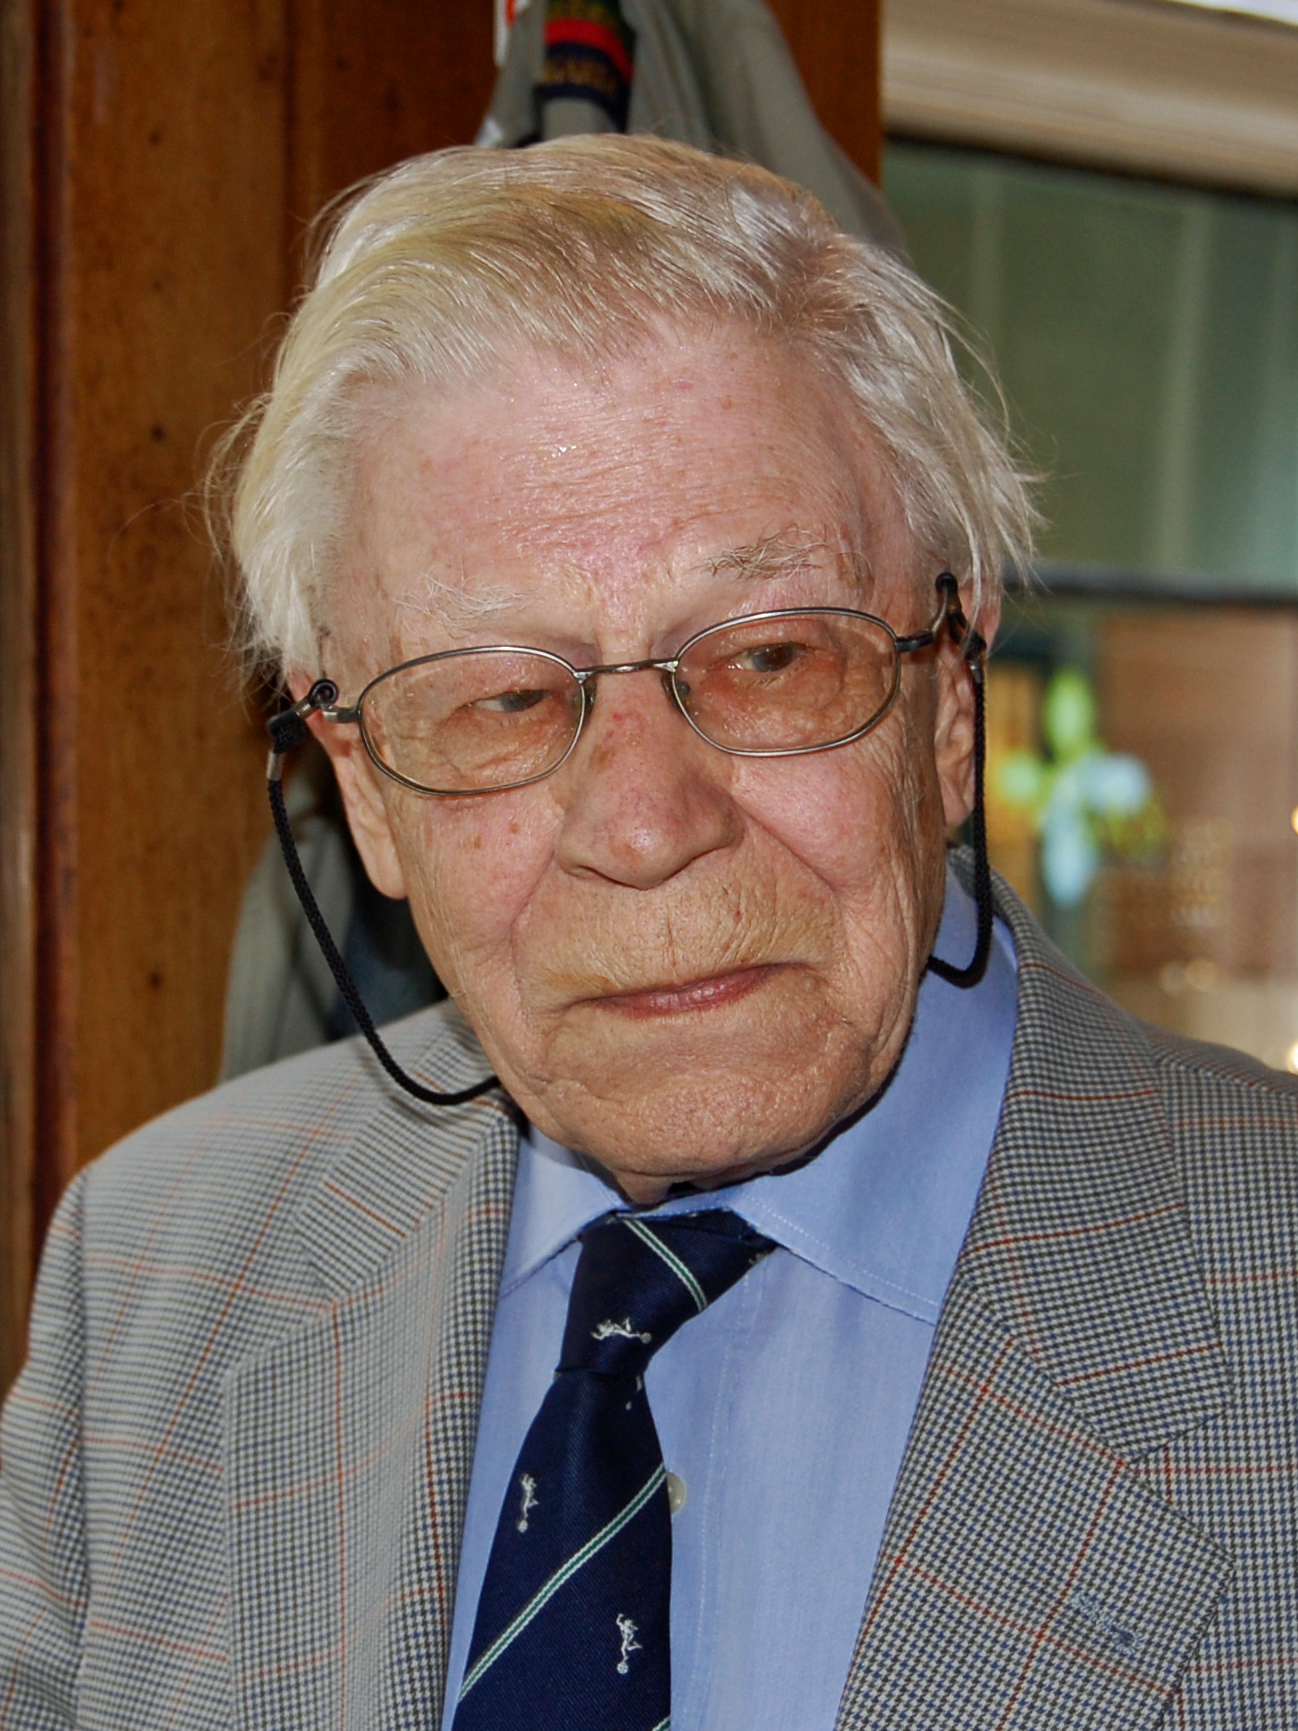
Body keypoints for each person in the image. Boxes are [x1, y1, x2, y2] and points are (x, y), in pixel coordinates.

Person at [1, 136, 1294, 1731]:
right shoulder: (157, 1269)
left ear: (950, 698)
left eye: (766, 660)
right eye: (500, 699)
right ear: (364, 790)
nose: (640, 823)